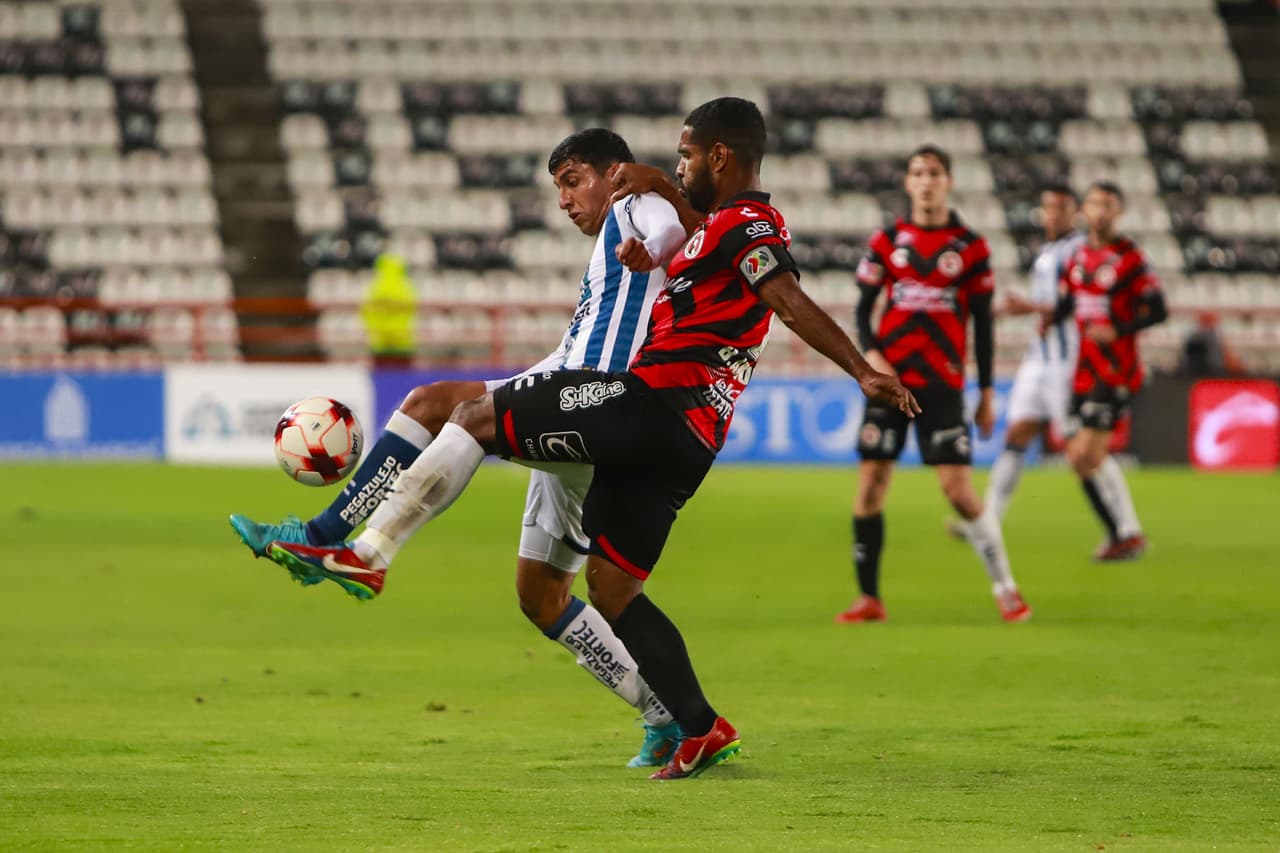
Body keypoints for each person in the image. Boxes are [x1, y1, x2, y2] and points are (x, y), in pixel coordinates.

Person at [264, 97, 918, 780]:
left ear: (719, 156)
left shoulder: (750, 222)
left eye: (687, 155)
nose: (679, 165)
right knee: (611, 588)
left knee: (473, 418)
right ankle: (701, 727)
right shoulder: (716, 229)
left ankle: (370, 550)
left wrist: (861, 369)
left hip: (652, 406)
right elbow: (697, 252)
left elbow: (783, 296)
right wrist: (655, 233)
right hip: (689, 443)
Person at [230, 128, 691, 767]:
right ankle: (664, 714)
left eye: (571, 180)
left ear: (612, 172)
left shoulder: (630, 202)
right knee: (541, 595)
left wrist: (656, 249)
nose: (564, 199)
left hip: (593, 400)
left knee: (457, 412)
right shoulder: (609, 242)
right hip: (567, 394)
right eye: (557, 186)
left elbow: (669, 229)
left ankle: (348, 542)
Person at [836, 144, 1032, 625]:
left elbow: (983, 326)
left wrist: (986, 395)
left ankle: (1006, 588)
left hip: (942, 386)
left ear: (948, 181)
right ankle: (869, 599)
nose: (926, 181)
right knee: (869, 489)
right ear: (908, 182)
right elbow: (862, 310)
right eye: (918, 172)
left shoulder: (970, 247)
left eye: (935, 173)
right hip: (889, 384)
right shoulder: (886, 241)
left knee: (959, 492)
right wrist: (875, 357)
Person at [946, 183, 1085, 533]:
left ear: (1074, 212)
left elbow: (1078, 302)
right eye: (1049, 207)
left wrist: (1029, 309)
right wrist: (1014, 312)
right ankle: (987, 520)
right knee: (1017, 433)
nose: (1053, 214)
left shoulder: (1079, 250)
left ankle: (1124, 528)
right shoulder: (1048, 252)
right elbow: (1049, 308)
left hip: (1066, 360)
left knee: (1080, 447)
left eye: (1061, 207)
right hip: (1040, 357)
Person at [1052, 181, 1167, 561]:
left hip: (1115, 370)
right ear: (1083, 210)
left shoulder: (1130, 257)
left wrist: (1118, 330)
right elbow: (1069, 303)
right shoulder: (1077, 257)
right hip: (1082, 370)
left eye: (1107, 204)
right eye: (1093, 203)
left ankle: (1126, 533)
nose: (1099, 210)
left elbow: (1158, 310)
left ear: (1118, 211)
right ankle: (1122, 534)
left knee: (1087, 451)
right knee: (1078, 458)